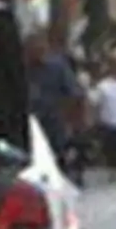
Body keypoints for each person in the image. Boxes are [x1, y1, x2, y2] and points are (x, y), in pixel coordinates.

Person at [25, 35, 85, 180]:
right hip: (30, 123)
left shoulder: (57, 67)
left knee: (55, 157)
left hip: (54, 123)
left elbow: (75, 93)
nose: (37, 52)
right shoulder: (22, 68)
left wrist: (75, 121)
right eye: (32, 49)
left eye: (40, 48)